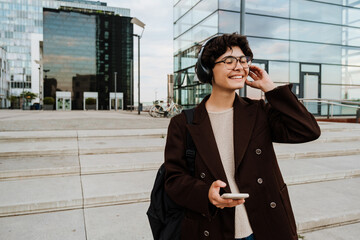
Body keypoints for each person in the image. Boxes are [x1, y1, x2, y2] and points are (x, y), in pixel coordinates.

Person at [164, 33, 320, 240]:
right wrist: (205, 193)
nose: (239, 67)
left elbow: (308, 130)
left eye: (243, 60)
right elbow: (173, 179)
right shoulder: (183, 123)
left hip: (265, 225)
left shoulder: (258, 112)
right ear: (208, 69)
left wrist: (270, 89)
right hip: (213, 227)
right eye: (229, 61)